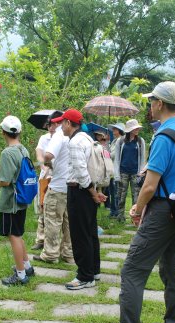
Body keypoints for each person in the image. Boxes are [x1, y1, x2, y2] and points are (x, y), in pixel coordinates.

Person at [100, 81, 175, 323]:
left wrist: (137, 209)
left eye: (152, 101)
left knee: (132, 270)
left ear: (160, 104)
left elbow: (150, 185)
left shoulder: (164, 136)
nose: (150, 106)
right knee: (173, 269)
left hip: (163, 210)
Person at [54, 108, 107, 290]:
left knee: (79, 234)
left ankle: (85, 276)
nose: (61, 126)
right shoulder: (87, 138)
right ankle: (94, 270)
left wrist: (92, 193)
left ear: (69, 123)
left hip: (80, 191)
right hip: (88, 190)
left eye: (62, 123)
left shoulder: (75, 142)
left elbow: (81, 172)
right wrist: (95, 192)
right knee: (91, 232)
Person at [0, 116, 34, 286]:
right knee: (18, 232)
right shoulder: (24, 150)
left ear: (3, 132)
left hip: (11, 201)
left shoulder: (8, 153)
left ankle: (20, 275)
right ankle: (27, 266)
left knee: (13, 235)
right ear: (19, 132)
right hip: (22, 198)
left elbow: (6, 181)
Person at [32, 116, 74, 264]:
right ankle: (68, 253)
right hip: (73, 187)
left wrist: (48, 163)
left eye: (59, 122)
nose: (56, 126)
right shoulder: (78, 138)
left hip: (57, 186)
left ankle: (50, 254)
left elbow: (48, 155)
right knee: (69, 223)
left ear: (66, 122)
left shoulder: (59, 136)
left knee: (52, 220)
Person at [113, 119, 146, 222]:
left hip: (136, 172)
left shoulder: (140, 141)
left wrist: (141, 172)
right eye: (135, 128)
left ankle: (135, 218)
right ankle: (120, 217)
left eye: (137, 128)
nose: (137, 130)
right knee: (121, 196)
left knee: (136, 197)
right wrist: (116, 174)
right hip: (123, 171)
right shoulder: (121, 141)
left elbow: (142, 158)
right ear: (129, 130)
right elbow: (117, 158)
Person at [31, 121, 56, 250]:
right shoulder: (44, 138)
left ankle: (54, 241)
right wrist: (43, 166)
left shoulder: (62, 138)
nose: (51, 127)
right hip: (45, 175)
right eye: (49, 125)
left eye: (54, 124)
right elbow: (39, 153)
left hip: (58, 176)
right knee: (42, 206)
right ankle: (40, 239)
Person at [107, 123, 125, 218]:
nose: (113, 131)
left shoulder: (121, 141)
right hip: (111, 170)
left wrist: (107, 154)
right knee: (112, 192)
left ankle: (116, 211)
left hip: (116, 170)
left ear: (119, 131)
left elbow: (114, 155)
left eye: (115, 129)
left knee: (116, 192)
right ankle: (113, 210)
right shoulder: (114, 141)